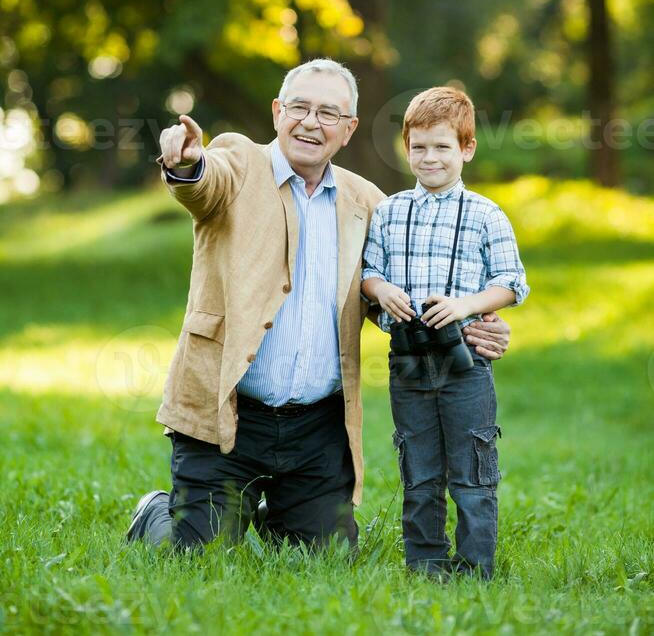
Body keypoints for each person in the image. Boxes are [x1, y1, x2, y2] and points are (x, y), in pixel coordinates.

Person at [126, 61, 512, 552]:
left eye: (329, 113)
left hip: (316, 430)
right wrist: (185, 163)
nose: (310, 122)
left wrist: (480, 324)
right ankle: (162, 510)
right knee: (196, 553)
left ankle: (270, 509)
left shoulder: (370, 203)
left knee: (328, 555)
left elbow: (408, 288)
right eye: (299, 107)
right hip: (227, 418)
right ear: (276, 112)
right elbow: (204, 182)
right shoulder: (238, 161)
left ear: (349, 129)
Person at [362, 86, 529, 580]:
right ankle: (426, 563)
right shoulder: (390, 212)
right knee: (419, 467)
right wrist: (381, 289)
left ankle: (476, 567)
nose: (429, 157)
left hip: (466, 364)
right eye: (419, 147)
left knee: (473, 468)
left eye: (442, 147)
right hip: (407, 360)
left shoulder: (484, 213)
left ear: (467, 149)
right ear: (405, 147)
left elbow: (511, 282)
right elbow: (368, 272)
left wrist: (466, 305)